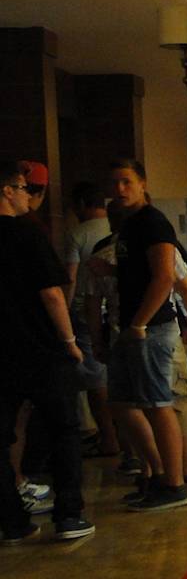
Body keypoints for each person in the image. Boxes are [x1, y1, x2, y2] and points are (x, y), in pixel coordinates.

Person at [0, 160, 94, 543]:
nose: (28, 196)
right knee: (63, 430)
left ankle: (12, 521)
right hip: (40, 349)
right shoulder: (28, 233)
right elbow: (52, 293)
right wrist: (70, 342)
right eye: (23, 188)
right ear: (7, 191)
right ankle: (69, 515)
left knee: (1, 437)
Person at [106, 158, 187, 512]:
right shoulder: (129, 224)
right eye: (115, 183)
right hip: (133, 326)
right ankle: (156, 474)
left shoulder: (153, 222)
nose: (120, 189)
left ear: (142, 183)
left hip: (151, 328)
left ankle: (174, 483)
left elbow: (165, 276)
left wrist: (140, 323)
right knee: (125, 402)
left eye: (127, 181)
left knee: (157, 404)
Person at [65, 182, 118, 457]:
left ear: (82, 204)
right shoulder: (117, 227)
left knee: (96, 378)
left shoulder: (77, 234)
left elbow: (71, 278)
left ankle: (109, 438)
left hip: (87, 311)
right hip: (120, 310)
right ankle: (126, 442)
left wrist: (64, 313)